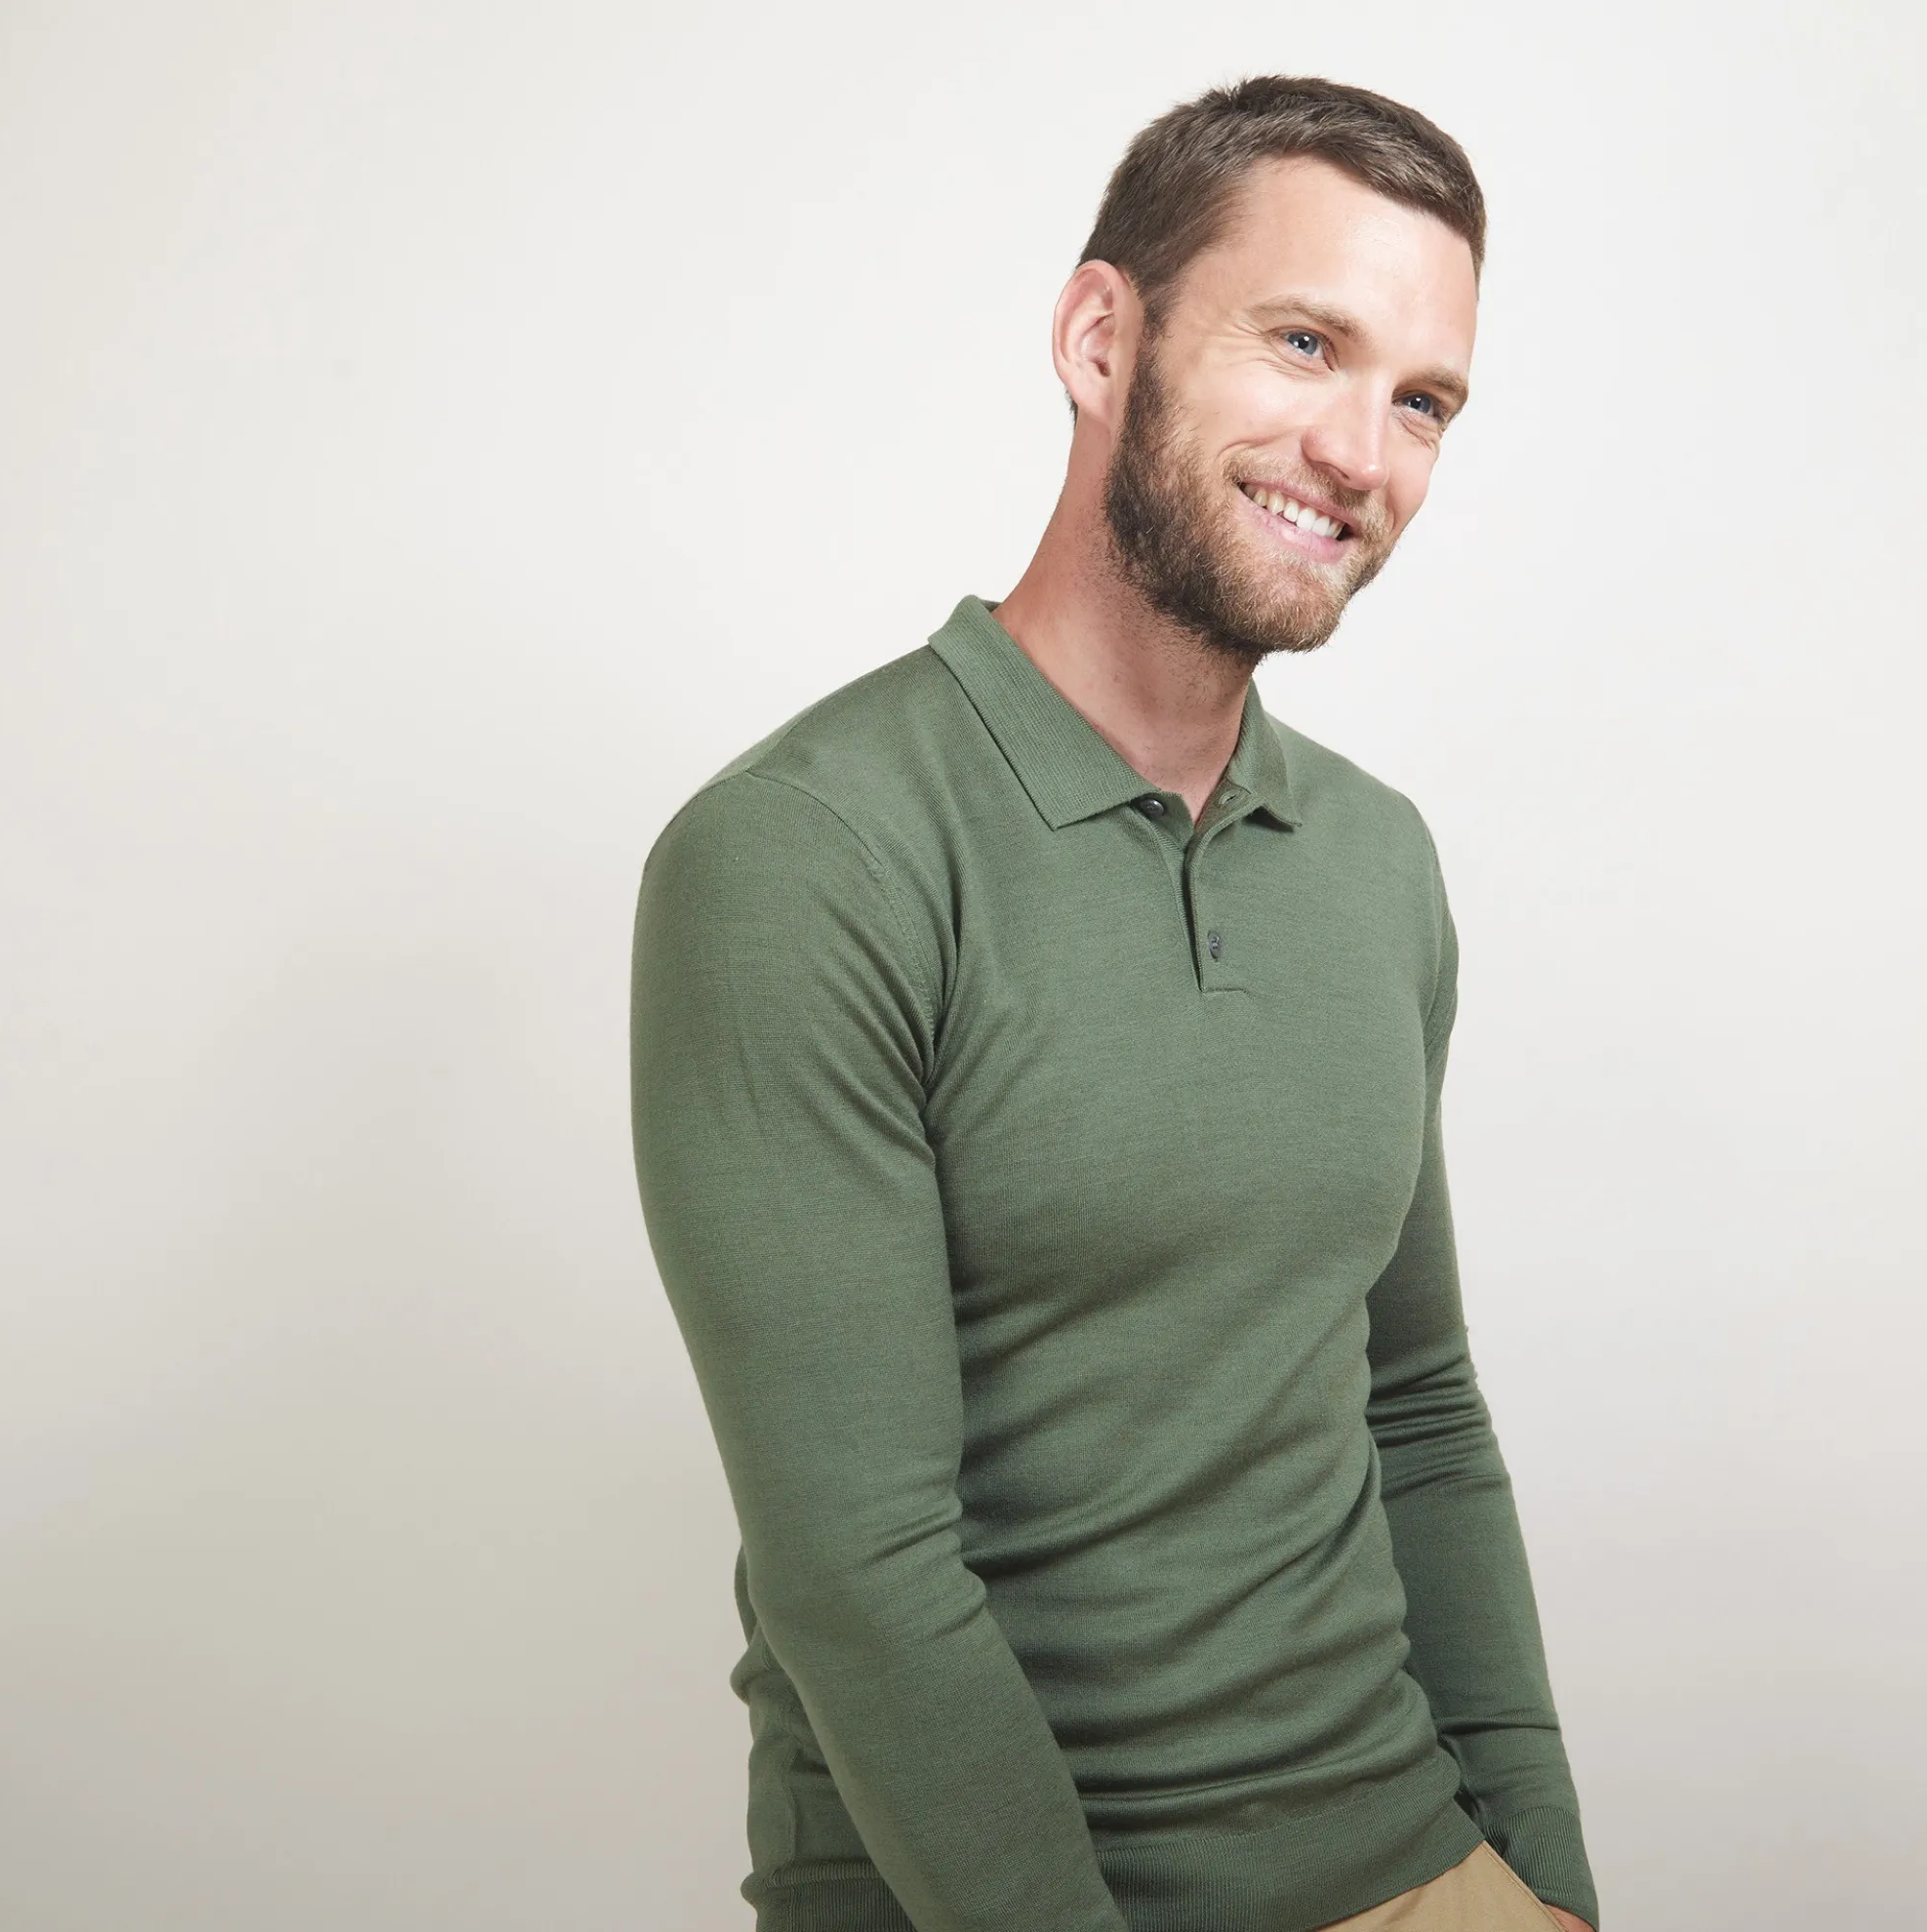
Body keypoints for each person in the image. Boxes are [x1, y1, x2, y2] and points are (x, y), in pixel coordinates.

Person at [630, 74, 1600, 1932]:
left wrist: (1549, 1882)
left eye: (1423, 402)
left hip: (1412, 1860)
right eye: (1304, 343)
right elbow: (859, 1565)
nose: (1361, 451)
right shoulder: (806, 856)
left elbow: (1418, 1409)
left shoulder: (1377, 861)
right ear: (1100, 339)